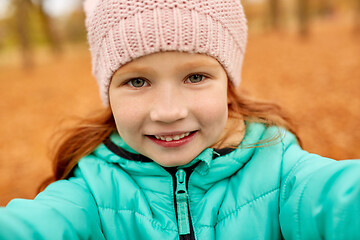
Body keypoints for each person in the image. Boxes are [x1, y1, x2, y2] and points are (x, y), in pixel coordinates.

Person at [0, 0, 359, 239]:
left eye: (195, 77)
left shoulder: (280, 170)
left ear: (228, 85)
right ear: (108, 92)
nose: (169, 112)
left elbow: (339, 199)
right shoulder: (90, 191)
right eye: (137, 81)